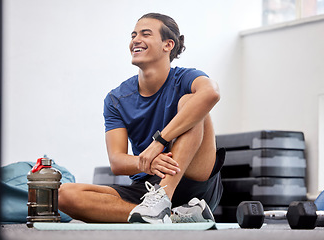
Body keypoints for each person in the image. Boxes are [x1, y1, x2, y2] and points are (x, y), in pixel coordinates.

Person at [58, 12, 224, 224]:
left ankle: (163, 199)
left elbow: (211, 93)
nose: (135, 40)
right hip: (147, 189)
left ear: (168, 45)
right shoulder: (116, 98)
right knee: (64, 194)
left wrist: (159, 142)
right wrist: (148, 162)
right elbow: (117, 161)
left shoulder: (185, 77)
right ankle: (171, 216)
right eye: (133, 35)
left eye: (145, 34)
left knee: (190, 102)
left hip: (194, 182)